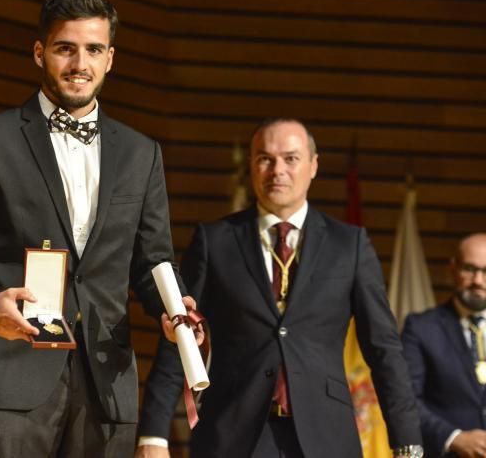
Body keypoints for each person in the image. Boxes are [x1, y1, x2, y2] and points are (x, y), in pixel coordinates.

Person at [0, 0, 185, 457]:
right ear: (39, 52)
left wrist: (172, 310)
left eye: (92, 50)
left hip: (107, 382)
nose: (78, 64)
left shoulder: (141, 154)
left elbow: (153, 260)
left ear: (110, 58)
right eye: (65, 48)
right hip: (11, 376)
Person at [137, 118, 423, 458]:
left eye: (291, 158)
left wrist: (408, 443)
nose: (278, 170)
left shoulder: (350, 245)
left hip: (327, 436)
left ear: (314, 166)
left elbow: (383, 348)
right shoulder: (215, 241)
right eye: (265, 159)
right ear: (252, 166)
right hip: (232, 434)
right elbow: (180, 337)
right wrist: (153, 435)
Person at [402, 233, 486, 458]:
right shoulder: (420, 327)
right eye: (470, 269)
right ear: (453, 268)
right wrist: (455, 437)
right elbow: (406, 400)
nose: (478, 280)